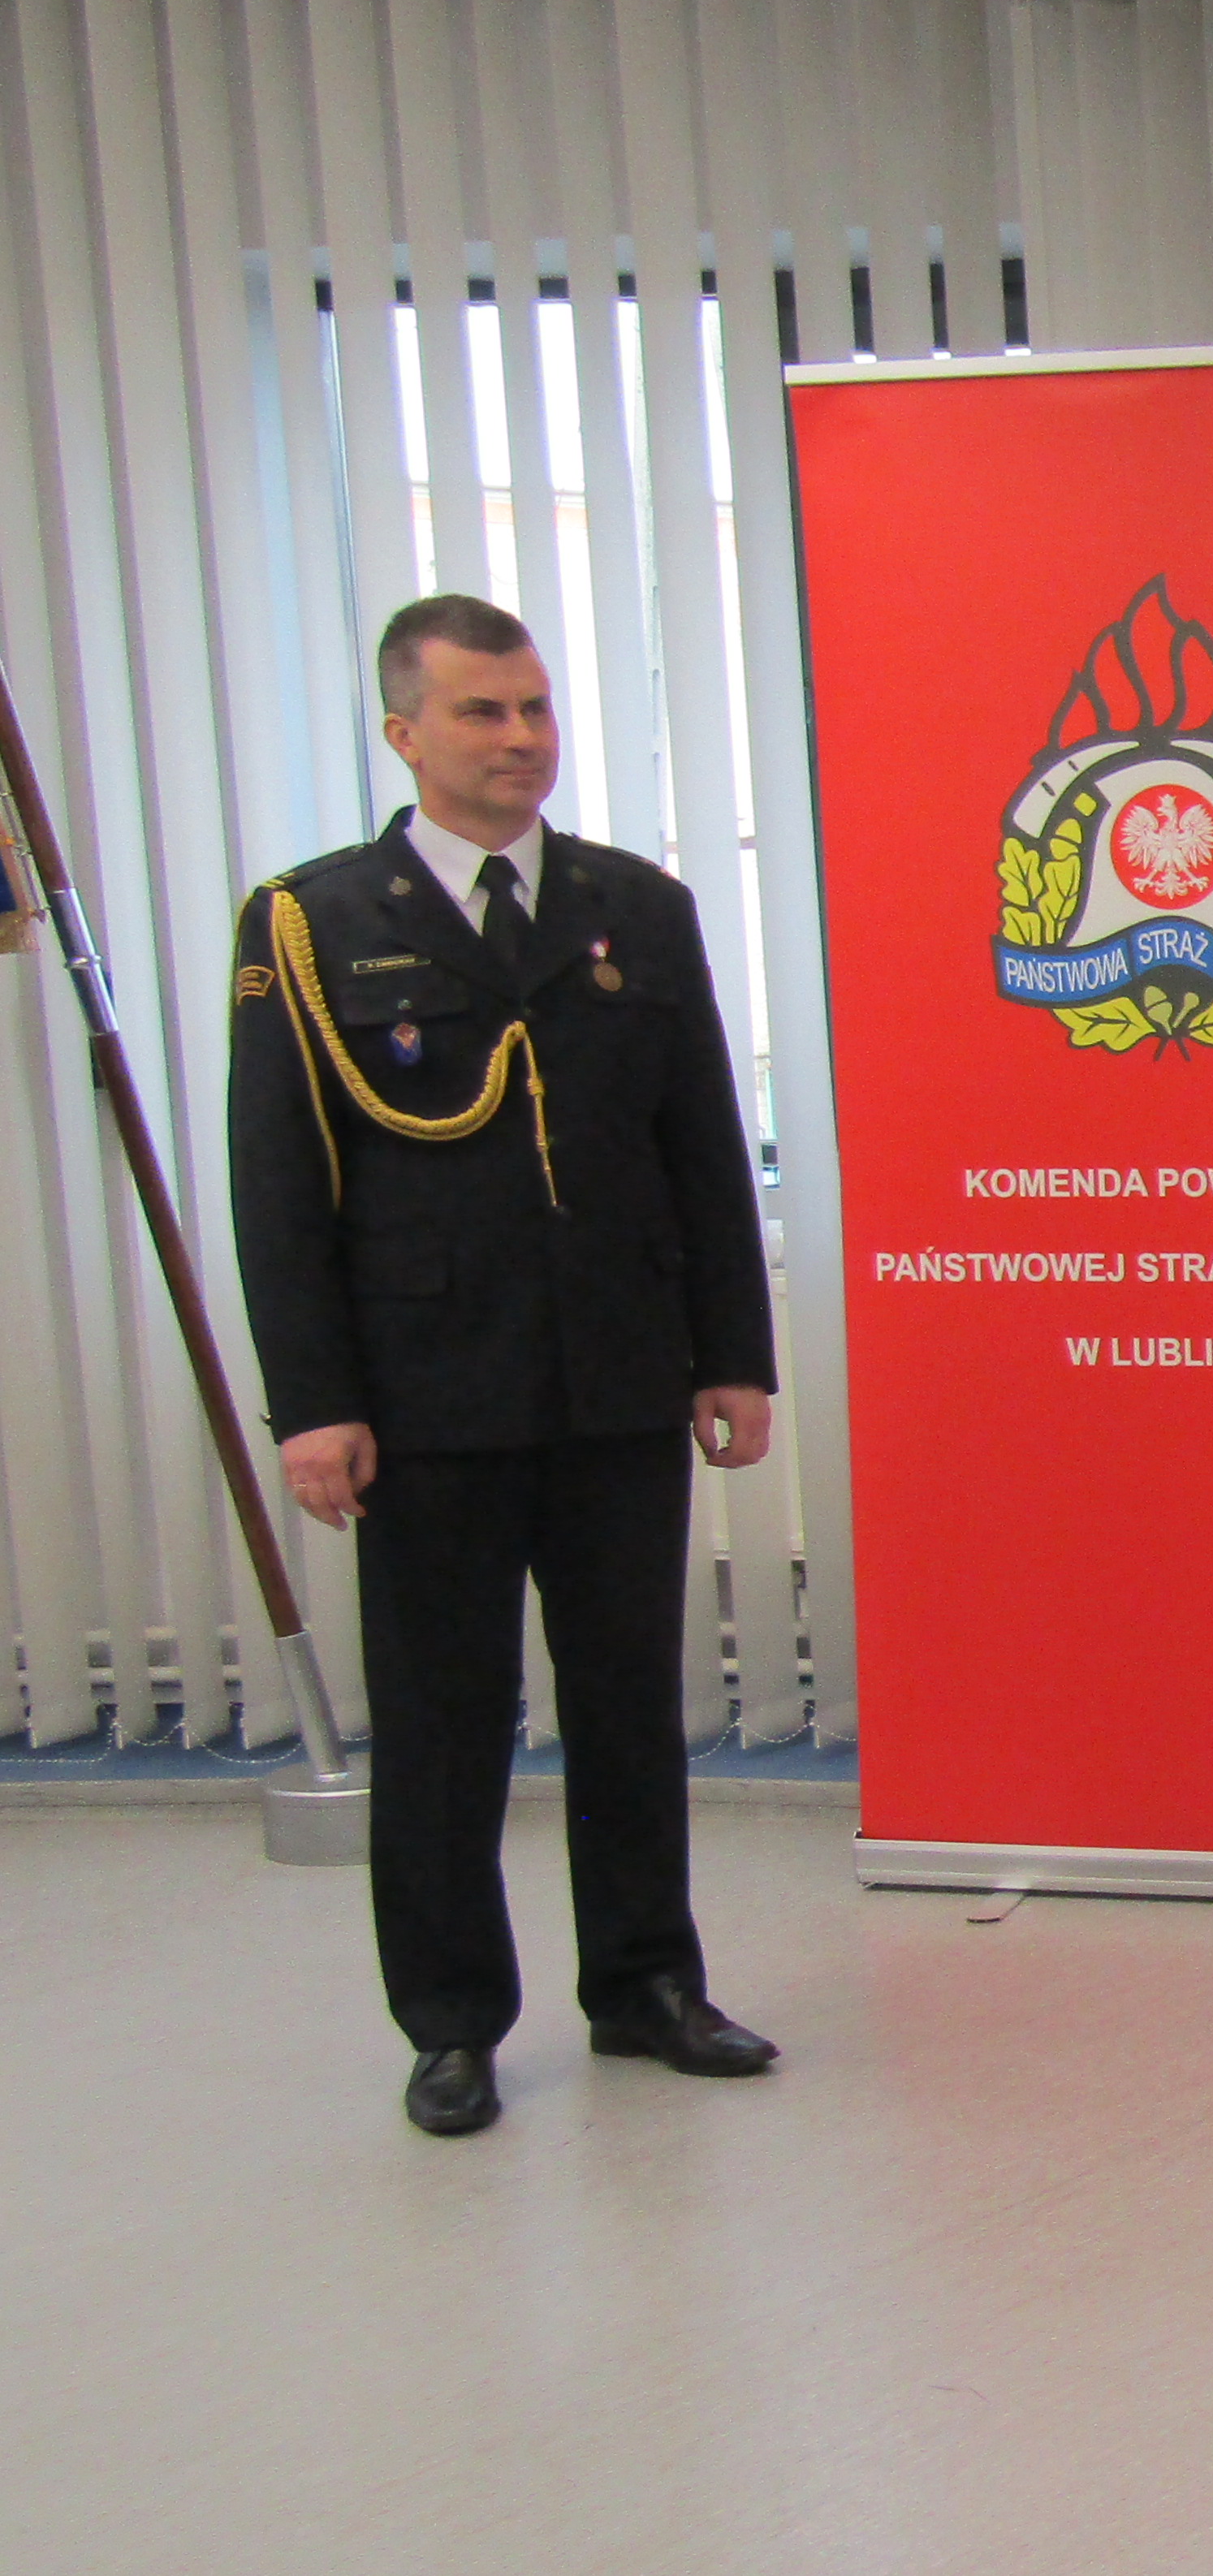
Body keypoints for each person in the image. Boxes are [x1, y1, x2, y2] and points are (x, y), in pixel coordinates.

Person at [228, 595, 788, 2138]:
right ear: (403, 732)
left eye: (536, 707)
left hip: (617, 1372)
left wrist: (732, 1356)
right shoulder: (310, 925)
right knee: (442, 1721)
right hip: (428, 1392)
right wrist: (317, 1405)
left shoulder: (635, 907)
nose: (522, 738)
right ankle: (453, 2021)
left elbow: (699, 1147)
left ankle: (647, 1986)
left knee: (627, 1702)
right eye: (484, 712)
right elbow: (279, 1186)